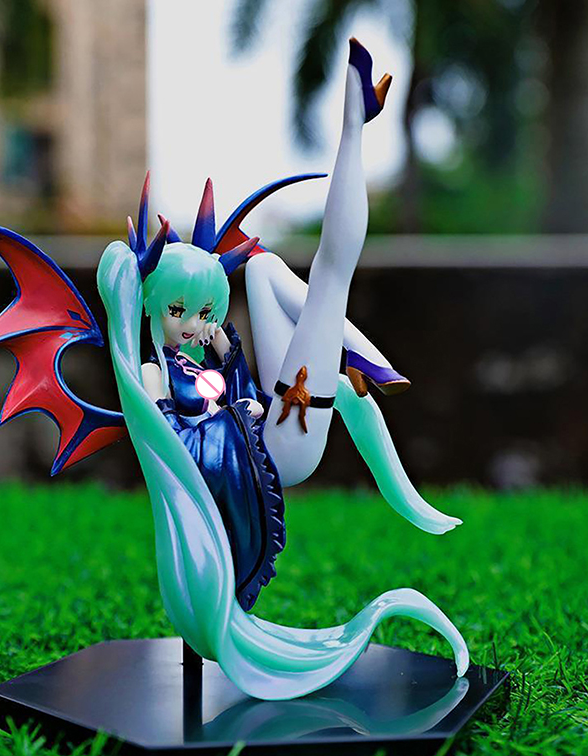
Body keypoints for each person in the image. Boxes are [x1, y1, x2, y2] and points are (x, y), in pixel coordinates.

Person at [95, 38, 469, 700]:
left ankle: (357, 355)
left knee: (267, 268)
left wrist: (228, 355)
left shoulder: (208, 357)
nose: (193, 323)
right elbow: (171, 434)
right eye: (178, 310)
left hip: (272, 422)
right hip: (275, 449)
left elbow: (231, 394)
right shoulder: (152, 377)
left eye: (204, 310)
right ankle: (353, 124)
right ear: (152, 308)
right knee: (331, 275)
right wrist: (127, 296)